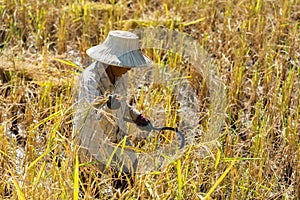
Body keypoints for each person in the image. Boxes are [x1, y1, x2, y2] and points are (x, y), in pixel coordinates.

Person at [73, 30, 153, 191]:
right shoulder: (91, 78)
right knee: (89, 186)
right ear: (113, 61)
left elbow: (121, 105)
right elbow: (94, 113)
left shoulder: (120, 76)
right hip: (91, 139)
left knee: (128, 171)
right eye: (126, 63)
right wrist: (110, 107)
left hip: (116, 134)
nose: (129, 68)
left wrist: (137, 117)